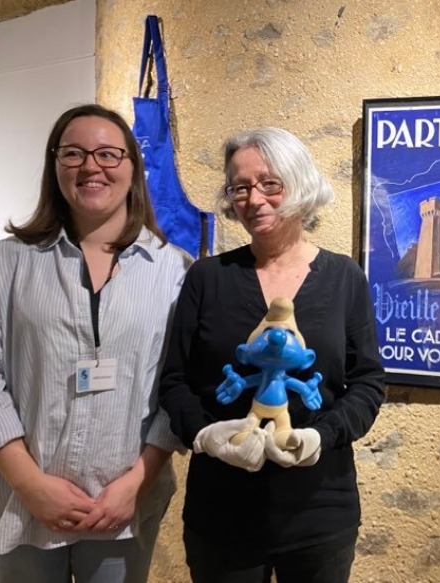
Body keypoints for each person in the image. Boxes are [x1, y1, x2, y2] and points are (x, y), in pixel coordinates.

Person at [0, 103, 192, 582]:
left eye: (108, 154)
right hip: (18, 503)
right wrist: (30, 484)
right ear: (55, 166)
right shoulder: (8, 263)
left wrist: (138, 482)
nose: (91, 166)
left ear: (133, 166)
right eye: (74, 153)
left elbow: (181, 384)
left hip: (122, 507)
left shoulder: (174, 270)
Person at [158, 127, 385, 583]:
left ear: (299, 184)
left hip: (320, 511)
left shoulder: (344, 277)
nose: (254, 199)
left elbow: (367, 382)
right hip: (221, 513)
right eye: (239, 187)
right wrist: (205, 435)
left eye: (269, 183)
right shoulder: (207, 278)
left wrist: (322, 435)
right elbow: (174, 380)